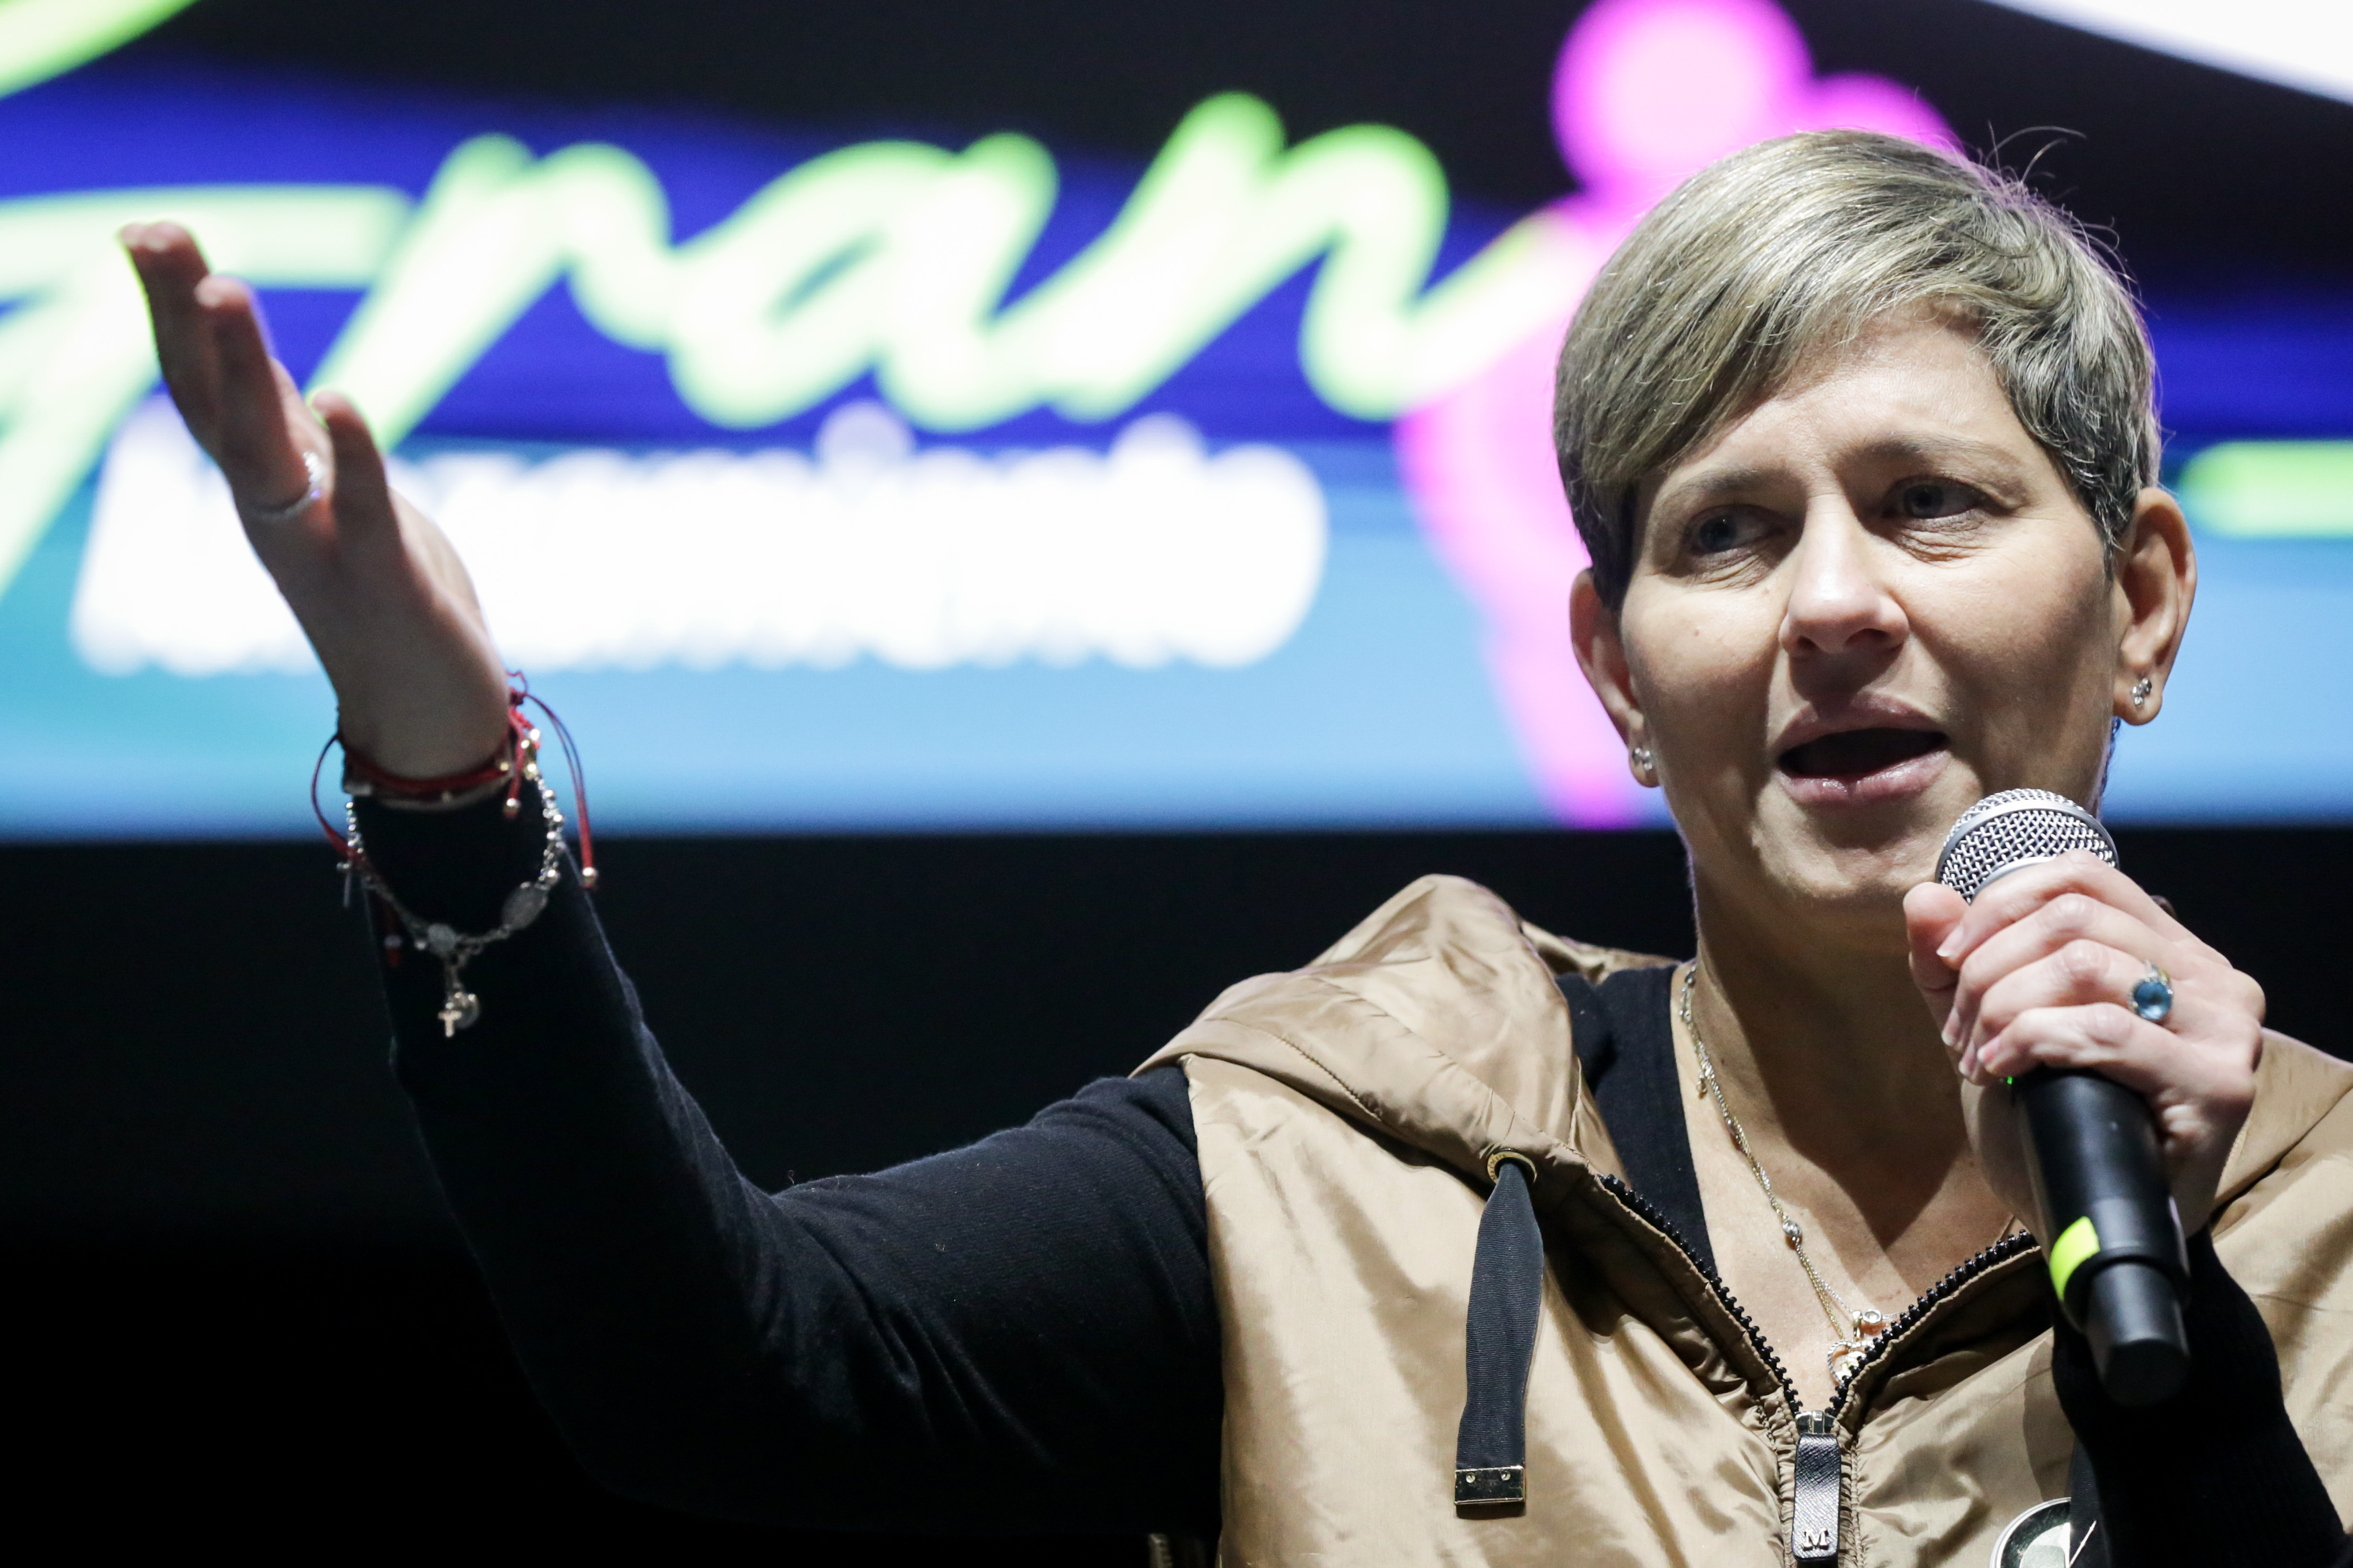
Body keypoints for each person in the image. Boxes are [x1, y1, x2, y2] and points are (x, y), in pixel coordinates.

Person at [120, 130, 2353, 1566]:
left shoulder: (2331, 1222)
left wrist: (2177, 1347)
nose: (1833, 603)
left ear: (2143, 599)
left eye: (1931, 503)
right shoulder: (1352, 1138)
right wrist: (444, 777)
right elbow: (724, 1365)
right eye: (1729, 534)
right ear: (1611, 668)